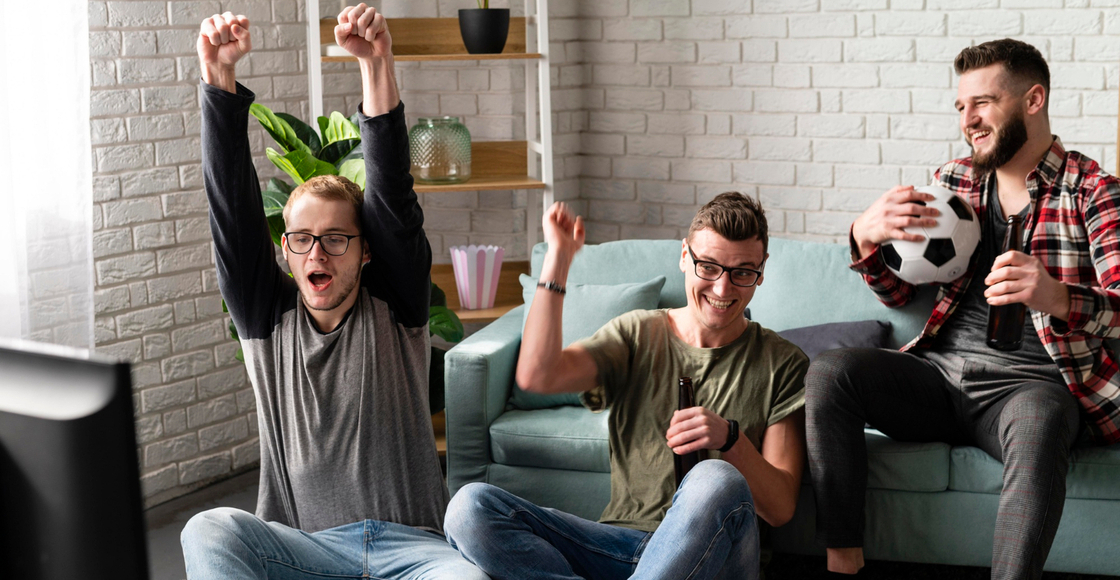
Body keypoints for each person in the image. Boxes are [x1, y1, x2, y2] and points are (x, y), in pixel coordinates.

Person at [179, 6, 488, 579]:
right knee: (208, 529)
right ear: (286, 251)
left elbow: (393, 196)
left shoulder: (394, 309)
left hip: (412, 550)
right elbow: (232, 213)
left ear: (366, 251)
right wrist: (217, 77)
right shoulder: (266, 320)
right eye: (300, 239)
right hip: (306, 551)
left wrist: (377, 64)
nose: (316, 253)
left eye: (335, 238)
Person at [805, 38, 1120, 580]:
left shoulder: (1093, 193)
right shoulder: (953, 183)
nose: (967, 119)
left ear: (1033, 100)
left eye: (983, 103)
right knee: (831, 372)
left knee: (1042, 421)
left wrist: (1057, 297)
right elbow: (901, 295)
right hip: (939, 377)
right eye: (960, 107)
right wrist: (864, 237)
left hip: (1029, 390)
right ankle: (843, 563)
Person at [444, 194, 809, 580]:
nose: (722, 289)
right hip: (618, 543)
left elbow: (781, 507)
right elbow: (539, 374)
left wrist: (730, 439)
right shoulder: (637, 333)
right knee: (469, 508)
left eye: (742, 273)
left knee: (715, 478)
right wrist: (559, 259)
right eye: (709, 267)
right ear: (685, 256)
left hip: (719, 557)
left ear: (761, 271)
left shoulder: (781, 362)